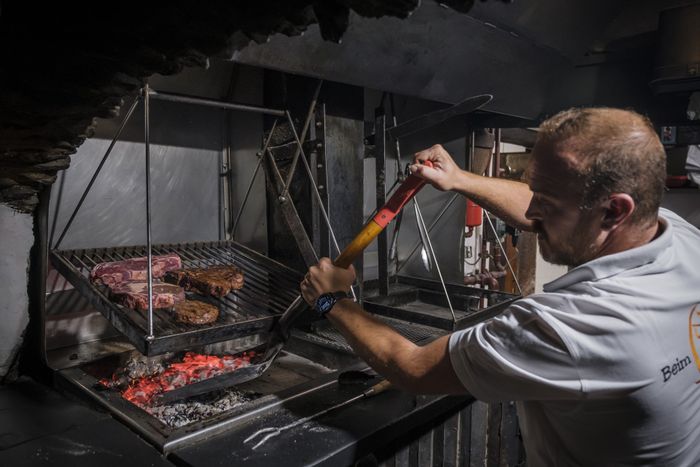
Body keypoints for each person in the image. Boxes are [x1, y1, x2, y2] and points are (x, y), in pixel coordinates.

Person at [300, 107, 700, 465]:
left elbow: (414, 369)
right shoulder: (681, 239)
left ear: (614, 210)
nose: (529, 211)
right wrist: (457, 179)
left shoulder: (575, 327)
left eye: (546, 199)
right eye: (535, 191)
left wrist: (330, 301)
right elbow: (540, 206)